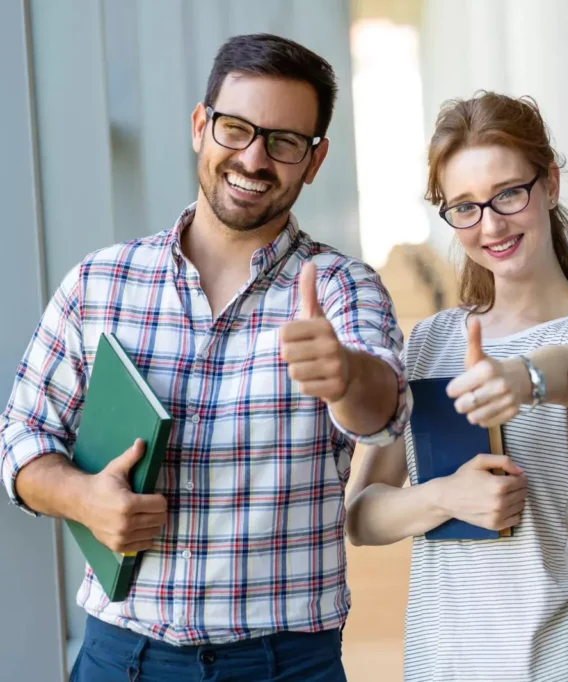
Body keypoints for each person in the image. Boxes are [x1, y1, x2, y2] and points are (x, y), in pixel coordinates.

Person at [0, 33, 408, 682]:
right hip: (119, 655)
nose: (254, 158)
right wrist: (82, 498)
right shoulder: (100, 282)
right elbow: (20, 435)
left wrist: (345, 375)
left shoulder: (341, 288)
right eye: (236, 129)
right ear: (200, 125)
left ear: (316, 158)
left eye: (284, 142)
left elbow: (382, 412)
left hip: (283, 665)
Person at [345, 92, 568, 682]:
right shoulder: (428, 342)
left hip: (562, 659)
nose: (491, 225)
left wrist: (524, 377)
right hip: (441, 662)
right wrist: (444, 498)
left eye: (509, 193)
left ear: (550, 183)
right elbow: (360, 514)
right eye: (465, 207)